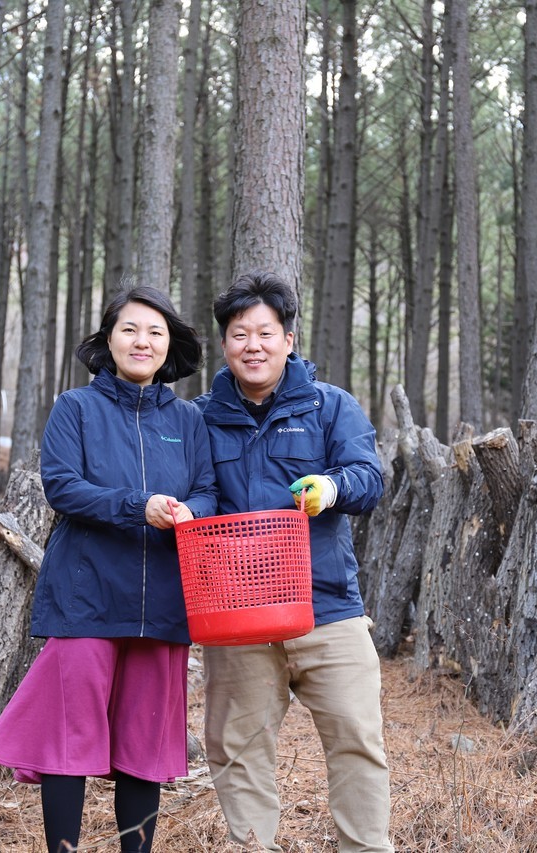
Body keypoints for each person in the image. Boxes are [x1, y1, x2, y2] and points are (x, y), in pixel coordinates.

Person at [0, 285, 217, 853]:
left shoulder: (188, 420)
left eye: (155, 332)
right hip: (85, 599)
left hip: (162, 603)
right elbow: (63, 487)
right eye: (130, 329)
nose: (142, 341)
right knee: (69, 738)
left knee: (144, 744)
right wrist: (140, 506)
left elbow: (208, 489)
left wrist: (191, 512)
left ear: (169, 346)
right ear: (108, 339)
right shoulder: (76, 408)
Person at [194, 271, 393, 852]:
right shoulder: (200, 417)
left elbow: (369, 478)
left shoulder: (332, 407)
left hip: (327, 608)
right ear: (224, 345)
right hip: (237, 617)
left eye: (264, 332)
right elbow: (195, 491)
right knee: (238, 750)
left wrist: (331, 488)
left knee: (357, 738)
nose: (252, 345)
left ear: (288, 338)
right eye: (238, 334)